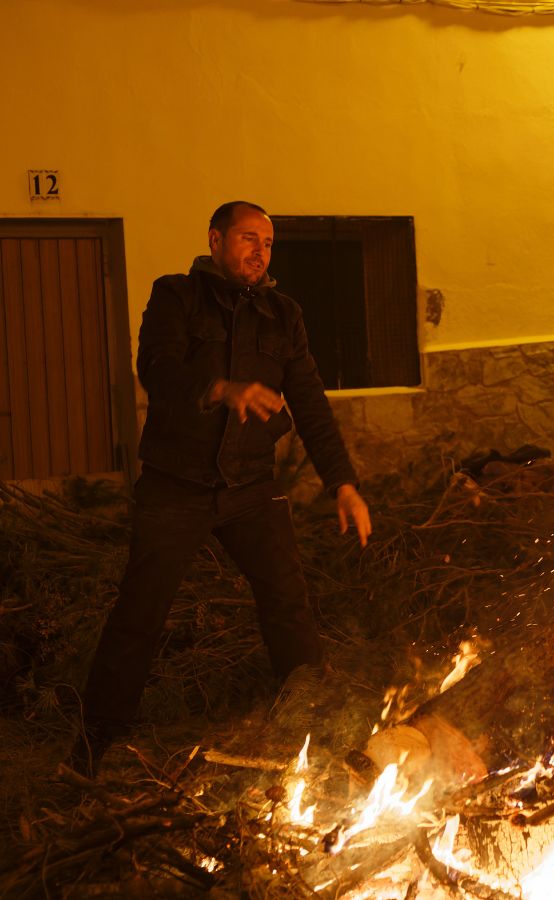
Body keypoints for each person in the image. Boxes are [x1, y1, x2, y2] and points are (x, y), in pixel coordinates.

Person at [69, 201, 372, 776]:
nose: (260, 251)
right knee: (140, 613)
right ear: (215, 240)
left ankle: (313, 731)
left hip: (250, 490)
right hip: (174, 487)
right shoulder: (176, 296)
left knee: (288, 603)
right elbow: (156, 368)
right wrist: (221, 388)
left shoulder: (284, 314)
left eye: (268, 242)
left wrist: (344, 483)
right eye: (248, 239)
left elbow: (309, 402)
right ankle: (93, 749)